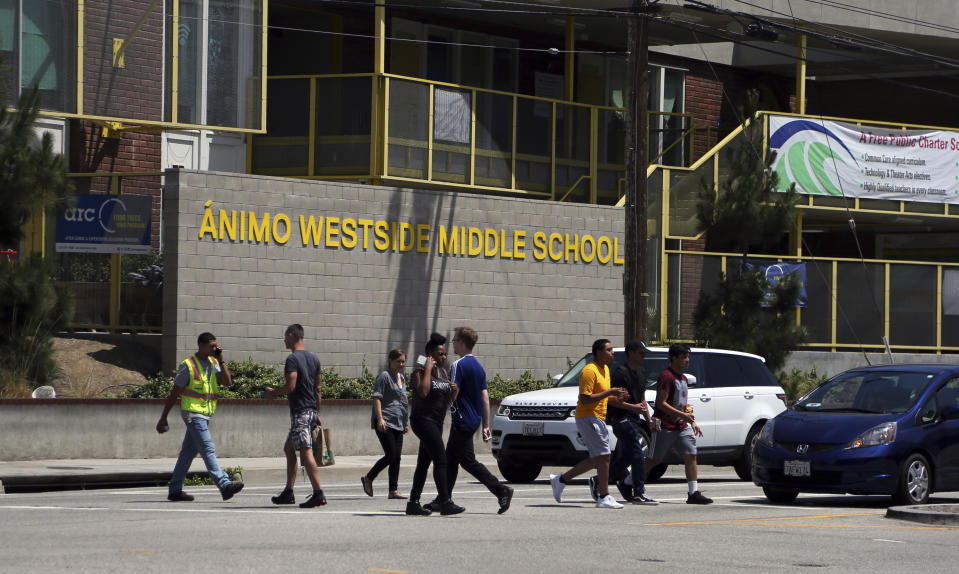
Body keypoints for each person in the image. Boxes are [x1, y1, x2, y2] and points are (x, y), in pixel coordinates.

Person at [156, 332, 244, 502]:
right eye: (211, 346)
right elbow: (175, 392)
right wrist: (163, 416)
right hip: (192, 414)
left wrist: (221, 359)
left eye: (216, 345)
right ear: (201, 346)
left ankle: (175, 490)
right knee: (207, 448)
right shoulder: (188, 365)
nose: (215, 348)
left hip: (205, 414)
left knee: (187, 453)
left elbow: (227, 382)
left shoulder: (213, 362)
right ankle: (224, 484)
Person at [441, 326, 514, 514]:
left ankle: (501, 490)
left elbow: (453, 389)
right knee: (458, 460)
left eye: (455, 340)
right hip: (472, 421)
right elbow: (485, 398)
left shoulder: (458, 365)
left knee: (461, 461)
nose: (453, 344)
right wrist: (486, 425)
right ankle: (444, 498)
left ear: (462, 342)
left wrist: (445, 406)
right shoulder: (478, 367)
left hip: (461, 420)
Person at [549, 339, 628, 509]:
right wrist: (610, 391)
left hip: (598, 417)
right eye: (609, 350)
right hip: (588, 417)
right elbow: (584, 399)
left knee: (597, 459)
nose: (612, 352)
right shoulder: (589, 371)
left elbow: (603, 397)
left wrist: (617, 398)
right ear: (599, 352)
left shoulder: (605, 369)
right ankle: (604, 496)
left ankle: (560, 480)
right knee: (605, 456)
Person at [263, 324, 326, 508]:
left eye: (285, 336)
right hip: (311, 411)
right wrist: (318, 413)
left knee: (305, 450)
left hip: (301, 412)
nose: (284, 340)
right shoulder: (314, 359)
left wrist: (273, 393)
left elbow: (291, 386)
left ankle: (318, 493)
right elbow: (318, 389)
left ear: (291, 335)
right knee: (289, 448)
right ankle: (288, 492)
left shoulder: (292, 359)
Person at [646, 343, 713, 505]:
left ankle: (693, 493)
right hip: (665, 426)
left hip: (681, 427)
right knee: (654, 459)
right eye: (684, 357)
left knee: (690, 454)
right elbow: (661, 403)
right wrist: (684, 415)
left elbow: (682, 405)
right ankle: (628, 481)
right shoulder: (666, 376)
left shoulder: (683, 378)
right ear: (674, 358)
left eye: (688, 357)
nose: (687, 360)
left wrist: (692, 421)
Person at [406, 332, 465, 516]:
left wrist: (454, 394)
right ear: (430, 354)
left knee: (423, 463)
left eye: (445, 354)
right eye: (440, 354)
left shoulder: (443, 372)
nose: (444, 356)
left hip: (436, 422)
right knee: (441, 458)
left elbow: (445, 404)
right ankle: (445, 501)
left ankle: (413, 503)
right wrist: (428, 368)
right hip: (422, 421)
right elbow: (423, 392)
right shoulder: (420, 371)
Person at [606, 340, 658, 505]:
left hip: (634, 419)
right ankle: (639, 492)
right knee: (638, 454)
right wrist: (632, 407)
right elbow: (612, 400)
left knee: (628, 456)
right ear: (631, 353)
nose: (643, 356)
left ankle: (599, 478)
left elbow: (642, 399)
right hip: (620, 419)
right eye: (641, 353)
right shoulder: (620, 373)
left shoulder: (642, 372)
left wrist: (649, 420)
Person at [361, 348, 410, 500]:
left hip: (398, 422)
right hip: (385, 420)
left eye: (403, 361)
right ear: (390, 360)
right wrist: (380, 418)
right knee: (391, 455)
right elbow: (377, 398)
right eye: (398, 361)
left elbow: (402, 401)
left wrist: (405, 421)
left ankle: (393, 490)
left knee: (397, 457)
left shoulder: (401, 377)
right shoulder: (384, 376)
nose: (401, 364)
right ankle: (369, 477)